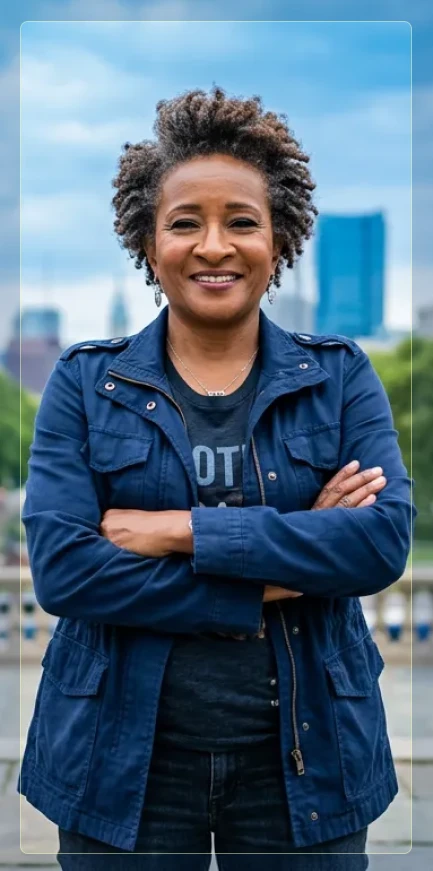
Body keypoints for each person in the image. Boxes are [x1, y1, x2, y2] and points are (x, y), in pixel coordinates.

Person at [18, 86, 414, 870]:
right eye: (184, 222)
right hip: (118, 764)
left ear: (279, 239)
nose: (213, 246)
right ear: (147, 239)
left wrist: (177, 531)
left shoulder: (338, 377)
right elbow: (66, 571)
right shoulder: (84, 382)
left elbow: (376, 544)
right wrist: (278, 570)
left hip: (310, 763)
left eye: (241, 221)